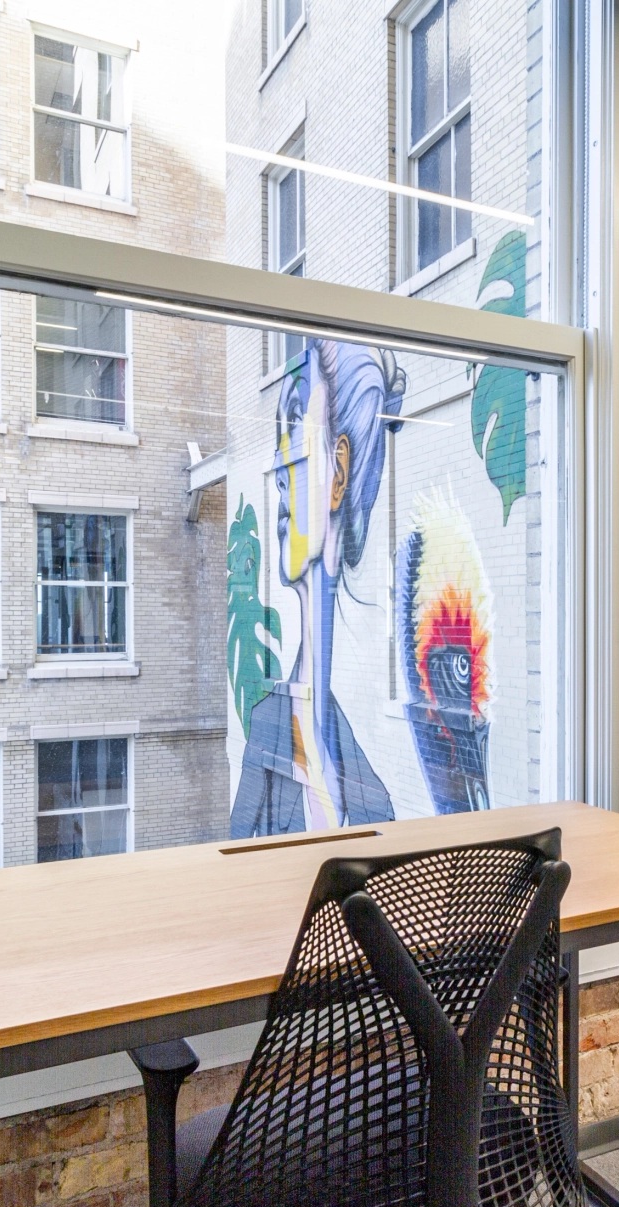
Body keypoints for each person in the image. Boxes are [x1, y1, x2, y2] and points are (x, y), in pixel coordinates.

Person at [230, 341, 401, 837]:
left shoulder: (372, 794)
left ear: (339, 472)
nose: (279, 478)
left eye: (296, 447)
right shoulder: (267, 729)